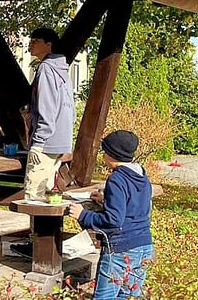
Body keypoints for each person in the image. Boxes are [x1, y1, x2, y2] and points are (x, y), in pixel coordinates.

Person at [68, 130, 153, 300]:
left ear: (112, 154)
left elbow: (113, 220)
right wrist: (106, 200)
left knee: (105, 297)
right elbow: (135, 206)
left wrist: (82, 214)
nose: (103, 155)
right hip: (144, 245)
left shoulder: (116, 179)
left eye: (105, 151)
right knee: (128, 296)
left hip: (121, 248)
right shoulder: (142, 176)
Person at [23, 26, 75, 202]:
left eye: (36, 40)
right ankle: (43, 230)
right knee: (48, 197)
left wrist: (38, 142)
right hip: (59, 142)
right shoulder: (62, 70)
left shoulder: (46, 68)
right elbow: (69, 109)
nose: (30, 44)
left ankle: (34, 230)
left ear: (48, 44)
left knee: (33, 198)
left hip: (45, 143)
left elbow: (47, 107)